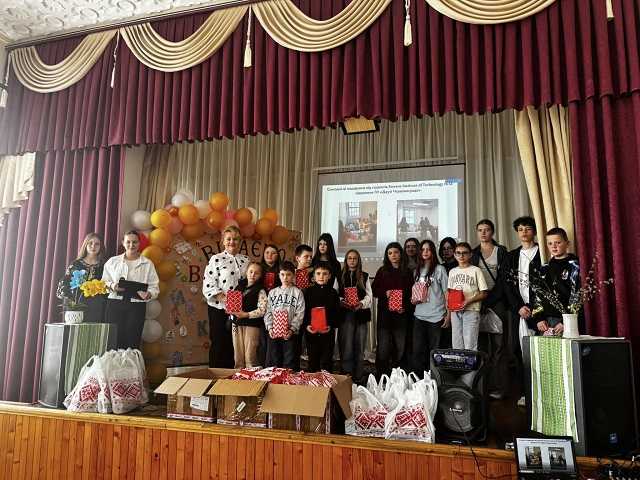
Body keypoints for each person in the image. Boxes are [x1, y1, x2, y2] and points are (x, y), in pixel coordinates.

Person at [471, 219, 510, 400]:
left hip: (497, 302)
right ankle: (482, 386)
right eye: (480, 230)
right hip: (477, 303)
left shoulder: (500, 251)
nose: (483, 233)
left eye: (487, 230)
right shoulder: (473, 253)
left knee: (499, 347)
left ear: (492, 232)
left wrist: (489, 299)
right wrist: (480, 301)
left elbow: (504, 280)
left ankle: (499, 387)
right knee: (480, 346)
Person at [505, 216, 541, 407]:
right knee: (520, 353)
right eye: (520, 229)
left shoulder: (542, 253)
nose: (524, 232)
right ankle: (526, 393)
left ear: (534, 231)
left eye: (527, 229)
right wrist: (519, 307)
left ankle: (543, 394)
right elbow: (508, 286)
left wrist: (536, 309)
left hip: (540, 312)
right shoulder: (511, 256)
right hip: (520, 311)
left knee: (540, 353)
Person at [102, 230, 160, 349]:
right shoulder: (112, 262)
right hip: (114, 304)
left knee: (133, 339)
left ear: (139, 243)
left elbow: (154, 287)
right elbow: (103, 283)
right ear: (123, 242)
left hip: (136, 306)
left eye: (135, 242)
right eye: (128, 242)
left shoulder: (147, 264)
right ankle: (114, 362)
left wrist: (149, 294)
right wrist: (113, 286)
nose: (131, 245)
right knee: (113, 340)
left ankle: (131, 361)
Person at [203, 225, 249, 368]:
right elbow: (209, 283)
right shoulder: (216, 259)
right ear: (223, 241)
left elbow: (251, 284)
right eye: (228, 239)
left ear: (240, 241)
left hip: (240, 310)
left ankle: (232, 375)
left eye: (235, 239)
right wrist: (226, 300)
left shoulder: (246, 260)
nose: (232, 242)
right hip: (219, 308)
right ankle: (216, 374)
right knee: (219, 342)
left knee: (236, 344)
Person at [372, 242, 413, 377]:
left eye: (396, 252)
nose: (393, 255)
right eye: (390, 253)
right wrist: (385, 293)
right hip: (385, 316)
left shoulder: (407, 272)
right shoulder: (382, 271)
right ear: (387, 256)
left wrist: (404, 307)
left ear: (401, 254)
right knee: (383, 348)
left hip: (401, 316)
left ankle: (397, 377)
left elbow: (411, 294)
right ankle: (381, 376)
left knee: (400, 348)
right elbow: (374, 290)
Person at [411, 240, 449, 375]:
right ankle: (419, 381)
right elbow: (416, 292)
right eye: (423, 249)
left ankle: (434, 380)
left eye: (428, 249)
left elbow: (447, 293)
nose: (425, 252)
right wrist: (414, 299)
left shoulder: (440, 269)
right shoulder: (416, 270)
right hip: (419, 315)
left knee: (435, 352)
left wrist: (448, 315)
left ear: (433, 252)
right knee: (417, 351)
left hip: (436, 316)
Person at [534, 227, 580, 335]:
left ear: (567, 244)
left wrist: (566, 321)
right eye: (550, 243)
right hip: (546, 322)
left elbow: (578, 296)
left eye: (558, 242)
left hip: (567, 320)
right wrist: (539, 318)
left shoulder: (575, 267)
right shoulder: (544, 268)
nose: (554, 246)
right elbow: (538, 295)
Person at [57, 233, 107, 323]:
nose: (93, 246)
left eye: (97, 244)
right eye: (90, 243)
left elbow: (106, 286)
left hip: (97, 306)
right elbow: (66, 283)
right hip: (77, 305)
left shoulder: (104, 266)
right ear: (85, 245)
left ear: (101, 246)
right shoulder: (76, 264)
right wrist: (71, 302)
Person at [263, 261, 305, 369]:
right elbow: (268, 311)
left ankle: (288, 379)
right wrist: (270, 327)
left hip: (290, 333)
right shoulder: (272, 292)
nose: (285, 277)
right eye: (282, 274)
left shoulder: (298, 292)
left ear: (293, 275)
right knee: (274, 360)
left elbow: (300, 313)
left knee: (289, 361)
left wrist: (292, 329)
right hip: (274, 333)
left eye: (288, 274)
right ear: (279, 275)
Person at [338, 249, 372, 383]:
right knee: (346, 347)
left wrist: (361, 303)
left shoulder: (364, 276)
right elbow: (335, 293)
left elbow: (369, 296)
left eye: (355, 258)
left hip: (361, 315)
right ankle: (346, 377)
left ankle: (358, 377)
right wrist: (342, 301)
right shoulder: (340, 276)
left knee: (359, 346)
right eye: (349, 258)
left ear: (358, 261)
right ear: (346, 261)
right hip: (345, 315)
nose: (352, 261)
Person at [447, 242, 488, 350]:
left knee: (470, 344)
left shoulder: (476, 270)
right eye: (458, 253)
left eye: (464, 253)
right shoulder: (452, 272)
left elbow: (484, 293)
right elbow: (450, 293)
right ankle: (459, 362)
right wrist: (449, 312)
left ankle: (470, 362)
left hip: (471, 310)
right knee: (456, 344)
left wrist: (468, 301)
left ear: (470, 254)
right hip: (455, 311)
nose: (461, 256)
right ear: (454, 255)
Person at [303, 262, 342, 372]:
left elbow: (336, 312)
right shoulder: (308, 292)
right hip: (311, 333)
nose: (321, 276)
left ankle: (326, 381)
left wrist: (330, 325)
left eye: (325, 274)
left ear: (329, 276)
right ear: (313, 276)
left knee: (327, 360)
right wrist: (307, 325)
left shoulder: (333, 293)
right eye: (318, 273)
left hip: (327, 333)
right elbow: (304, 311)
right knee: (313, 360)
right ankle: (313, 381)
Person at [229, 262, 268, 368]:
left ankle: (252, 374)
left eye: (256, 273)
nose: (252, 275)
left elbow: (262, 310)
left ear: (260, 275)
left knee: (250, 354)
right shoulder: (239, 287)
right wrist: (231, 310)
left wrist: (246, 314)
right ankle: (238, 373)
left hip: (252, 325)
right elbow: (232, 304)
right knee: (238, 353)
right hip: (236, 324)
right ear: (246, 272)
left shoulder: (260, 290)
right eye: (251, 271)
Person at [258, 244, 282, 365]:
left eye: (273, 253)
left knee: (274, 339)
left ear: (277, 256)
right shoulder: (259, 269)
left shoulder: (281, 271)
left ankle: (274, 366)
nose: (269, 255)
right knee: (262, 340)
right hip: (260, 308)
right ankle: (262, 366)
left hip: (277, 308)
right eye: (267, 252)